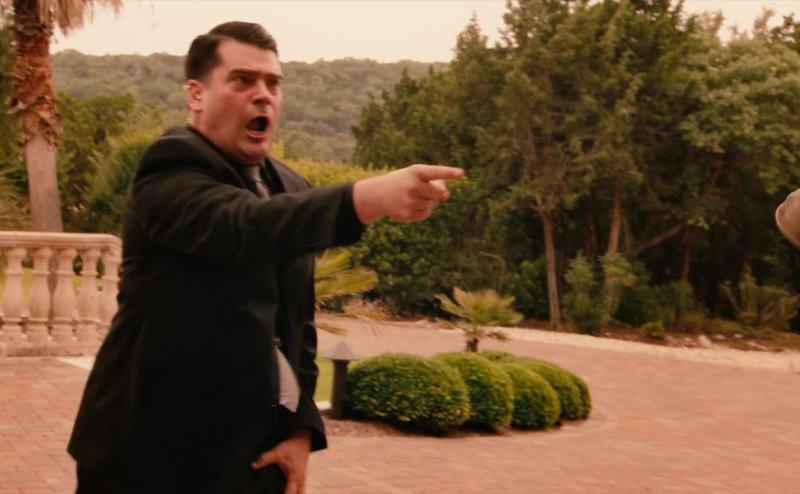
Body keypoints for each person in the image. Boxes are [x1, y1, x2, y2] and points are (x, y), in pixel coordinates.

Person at [67, 21, 463, 494]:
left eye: (273, 83)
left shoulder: (289, 184)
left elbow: (297, 323)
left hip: (253, 460)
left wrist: (301, 431)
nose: (263, 95)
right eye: (243, 80)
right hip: (148, 454)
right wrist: (367, 198)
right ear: (196, 94)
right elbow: (246, 227)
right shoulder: (170, 166)